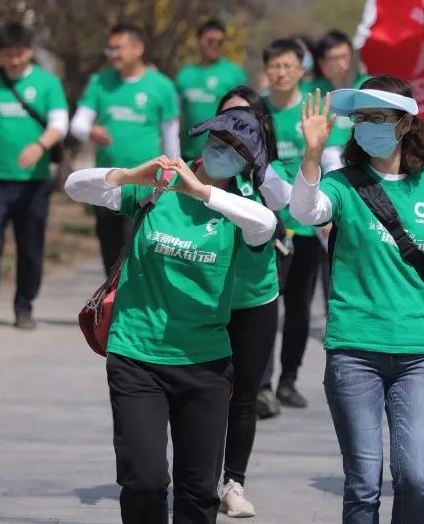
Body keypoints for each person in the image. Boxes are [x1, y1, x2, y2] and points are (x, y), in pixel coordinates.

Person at [64, 110, 278, 524]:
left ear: (249, 163)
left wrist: (202, 192)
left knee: (198, 491)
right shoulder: (157, 191)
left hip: (204, 364)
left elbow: (266, 225)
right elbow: (75, 186)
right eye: (219, 140)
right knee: (144, 481)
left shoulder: (240, 209)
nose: (224, 151)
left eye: (237, 149)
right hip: (136, 355)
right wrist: (130, 175)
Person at [288, 77, 424, 524]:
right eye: (361, 118)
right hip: (354, 350)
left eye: (379, 117)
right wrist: (311, 154)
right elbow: (305, 212)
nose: (368, 126)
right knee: (364, 483)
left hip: (418, 352)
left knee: (416, 478)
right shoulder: (341, 183)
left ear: (405, 123)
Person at [208, 86, 291, 518]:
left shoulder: (267, 176)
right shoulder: (202, 169)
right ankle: (199, 477)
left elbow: (286, 202)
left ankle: (233, 482)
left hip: (255, 300)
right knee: (203, 393)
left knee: (244, 396)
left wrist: (259, 166)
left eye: (244, 121)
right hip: (204, 301)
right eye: (226, 119)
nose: (234, 129)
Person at [0, 22, 69, 333]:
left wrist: (40, 145)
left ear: (30, 52)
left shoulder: (48, 84)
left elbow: (60, 124)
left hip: (33, 183)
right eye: (8, 54)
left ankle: (24, 306)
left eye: (19, 54)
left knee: (30, 247)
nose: (13, 60)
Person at [70, 23, 181, 275]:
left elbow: (171, 138)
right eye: (110, 49)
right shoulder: (100, 82)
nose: (112, 54)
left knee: (135, 251)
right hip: (107, 182)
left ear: (138, 49)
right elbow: (77, 124)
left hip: (144, 185)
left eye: (118, 48)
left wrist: (173, 179)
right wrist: (90, 131)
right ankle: (111, 297)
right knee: (110, 252)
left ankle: (130, 296)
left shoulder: (162, 86)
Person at [261, 38, 326, 410]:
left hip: (305, 228)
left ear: (301, 70)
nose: (281, 72)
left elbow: (329, 162)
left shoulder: (312, 110)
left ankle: (288, 380)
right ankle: (262, 385)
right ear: (266, 70)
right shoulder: (257, 111)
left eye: (288, 65)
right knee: (264, 304)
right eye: (275, 65)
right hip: (264, 226)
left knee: (298, 308)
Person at [176, 18, 249, 159]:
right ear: (199, 40)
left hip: (223, 156)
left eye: (220, 42)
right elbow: (175, 118)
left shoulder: (234, 74)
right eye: (210, 41)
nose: (215, 45)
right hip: (189, 156)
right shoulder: (185, 75)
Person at [307, 30, 371, 173]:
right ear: (322, 63)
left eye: (344, 56)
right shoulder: (314, 93)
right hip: (332, 158)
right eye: (334, 58)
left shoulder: (369, 86)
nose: (342, 63)